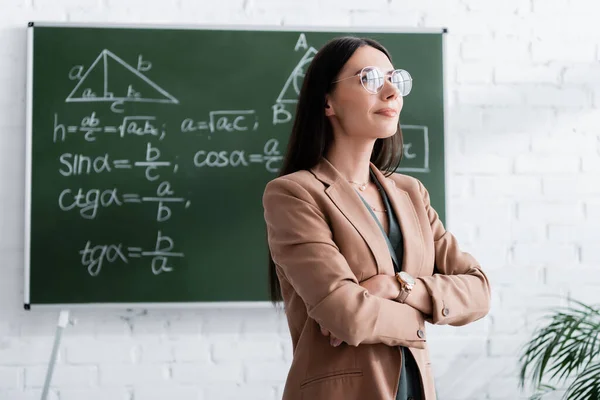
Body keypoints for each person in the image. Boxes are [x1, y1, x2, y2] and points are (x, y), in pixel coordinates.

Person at [262, 36, 491, 400]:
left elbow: (478, 291)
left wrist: (396, 287)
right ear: (327, 102)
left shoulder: (411, 193)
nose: (390, 93)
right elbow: (346, 316)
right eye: (369, 79)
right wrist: (424, 315)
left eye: (394, 79)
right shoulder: (294, 193)